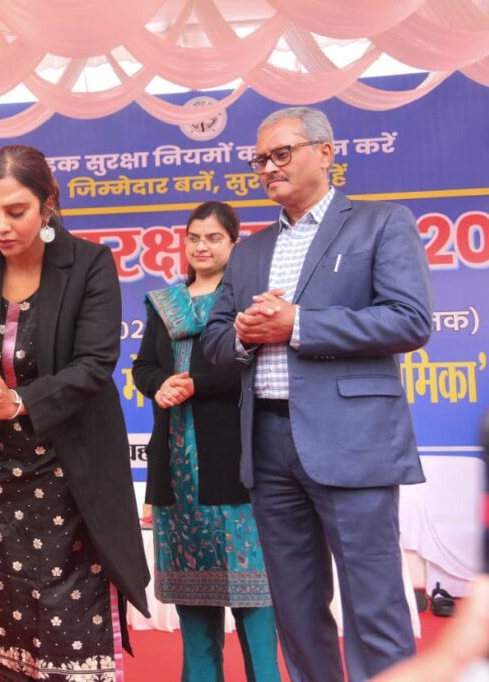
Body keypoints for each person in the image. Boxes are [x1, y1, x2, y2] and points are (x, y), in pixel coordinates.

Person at [201, 106, 433, 681]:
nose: (268, 168)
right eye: (260, 160)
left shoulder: (381, 224)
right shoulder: (250, 250)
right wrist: (245, 334)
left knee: (374, 606)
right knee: (297, 610)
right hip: (268, 446)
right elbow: (214, 339)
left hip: (352, 442)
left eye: (282, 154)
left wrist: (298, 324)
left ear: (325, 153)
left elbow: (410, 320)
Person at [0, 144, 150, 681]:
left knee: (71, 627)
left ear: (48, 203)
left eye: (16, 211)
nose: (0, 226)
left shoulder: (90, 264)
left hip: (71, 473)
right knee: (6, 626)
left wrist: (19, 401)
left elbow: (94, 364)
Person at [133, 202, 280, 682]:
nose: (201, 246)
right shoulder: (163, 303)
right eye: (194, 237)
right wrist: (161, 385)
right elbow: (143, 367)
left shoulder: (247, 305)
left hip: (236, 465)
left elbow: (253, 368)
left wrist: (194, 383)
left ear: (234, 244)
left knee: (254, 599)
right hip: (176, 474)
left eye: (214, 238)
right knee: (194, 605)